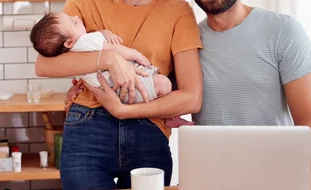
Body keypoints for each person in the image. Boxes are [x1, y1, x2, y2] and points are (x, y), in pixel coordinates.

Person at [34, 0, 203, 190]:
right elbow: (45, 66)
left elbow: (191, 98)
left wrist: (124, 111)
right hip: (88, 127)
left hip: (149, 131)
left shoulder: (179, 12)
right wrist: (109, 59)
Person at [183, 0, 311, 156]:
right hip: (209, 172)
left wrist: (286, 170)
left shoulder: (284, 31)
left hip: (274, 169)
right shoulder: (187, 41)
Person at [30, 12, 193, 126]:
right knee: (165, 84)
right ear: (68, 43)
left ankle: (169, 116)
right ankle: (169, 116)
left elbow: (94, 42)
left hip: (109, 95)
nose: (76, 17)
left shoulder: (70, 53)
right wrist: (136, 55)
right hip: (124, 88)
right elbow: (114, 50)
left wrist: (103, 33)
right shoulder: (85, 42)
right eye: (73, 22)